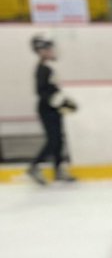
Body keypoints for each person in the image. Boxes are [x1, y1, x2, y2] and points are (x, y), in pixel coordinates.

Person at [27, 35, 77, 186]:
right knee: (53, 140)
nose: (51, 51)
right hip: (47, 109)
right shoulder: (42, 69)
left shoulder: (48, 68)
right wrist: (58, 102)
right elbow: (41, 92)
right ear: (41, 51)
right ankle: (34, 166)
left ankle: (58, 170)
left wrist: (62, 104)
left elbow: (52, 90)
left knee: (59, 139)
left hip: (52, 109)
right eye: (48, 49)